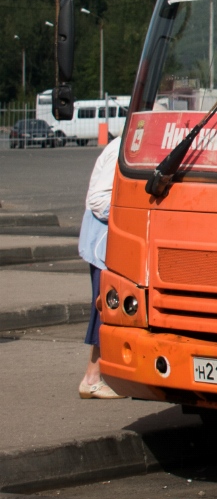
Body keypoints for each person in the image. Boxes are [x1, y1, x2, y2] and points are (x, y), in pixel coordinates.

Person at [79, 137, 124, 399]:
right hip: (103, 242)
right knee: (103, 306)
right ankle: (92, 377)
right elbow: (98, 199)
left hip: (108, 242)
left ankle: (101, 375)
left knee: (106, 306)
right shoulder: (121, 148)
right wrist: (129, 215)